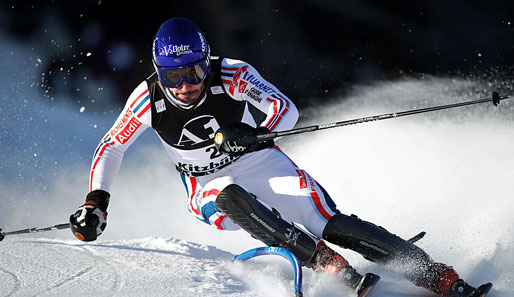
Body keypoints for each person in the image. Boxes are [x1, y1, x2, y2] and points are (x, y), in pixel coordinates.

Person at [69, 17, 491, 297]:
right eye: (174, 77)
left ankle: (439, 277)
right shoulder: (147, 99)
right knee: (230, 195)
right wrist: (96, 203)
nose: (185, 87)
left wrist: (249, 134)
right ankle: (325, 263)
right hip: (205, 183)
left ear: (207, 61)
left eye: (194, 73)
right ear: (158, 73)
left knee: (329, 222)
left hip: (258, 160)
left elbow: (284, 110)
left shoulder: (231, 72)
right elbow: (112, 146)